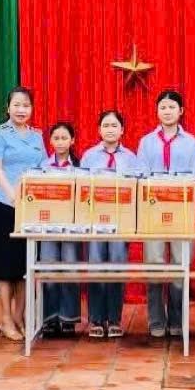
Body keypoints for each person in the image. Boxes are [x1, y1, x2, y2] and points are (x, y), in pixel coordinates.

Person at [137, 89, 195, 339]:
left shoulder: (192, 143)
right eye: (163, 107)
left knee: (180, 266)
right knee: (154, 265)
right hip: (153, 213)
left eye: (172, 107)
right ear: (157, 111)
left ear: (181, 111)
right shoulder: (146, 142)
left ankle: (177, 320)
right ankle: (156, 320)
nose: (167, 111)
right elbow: (141, 178)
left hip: (182, 213)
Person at [0, 86, 46, 341]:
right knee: (4, 264)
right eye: (17, 105)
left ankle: (20, 316)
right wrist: (11, 193)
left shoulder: (37, 136)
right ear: (8, 107)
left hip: (30, 207)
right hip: (4, 202)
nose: (21, 110)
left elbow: (43, 168)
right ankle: (6, 319)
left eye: (26, 105)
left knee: (25, 263)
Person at [80, 110, 139, 339]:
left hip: (121, 221)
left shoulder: (131, 158)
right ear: (99, 130)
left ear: (122, 130)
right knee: (96, 266)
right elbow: (81, 190)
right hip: (95, 220)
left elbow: (136, 190)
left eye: (114, 125)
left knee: (116, 265)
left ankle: (114, 319)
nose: (110, 129)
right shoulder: (89, 156)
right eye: (106, 125)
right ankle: (96, 319)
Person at [38, 121, 81, 337]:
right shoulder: (43, 166)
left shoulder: (80, 167)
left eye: (65, 138)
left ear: (72, 140)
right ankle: (49, 319)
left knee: (70, 269)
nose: (61, 142)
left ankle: (69, 319)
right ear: (50, 141)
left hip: (72, 226)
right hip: (48, 226)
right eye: (56, 138)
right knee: (48, 268)